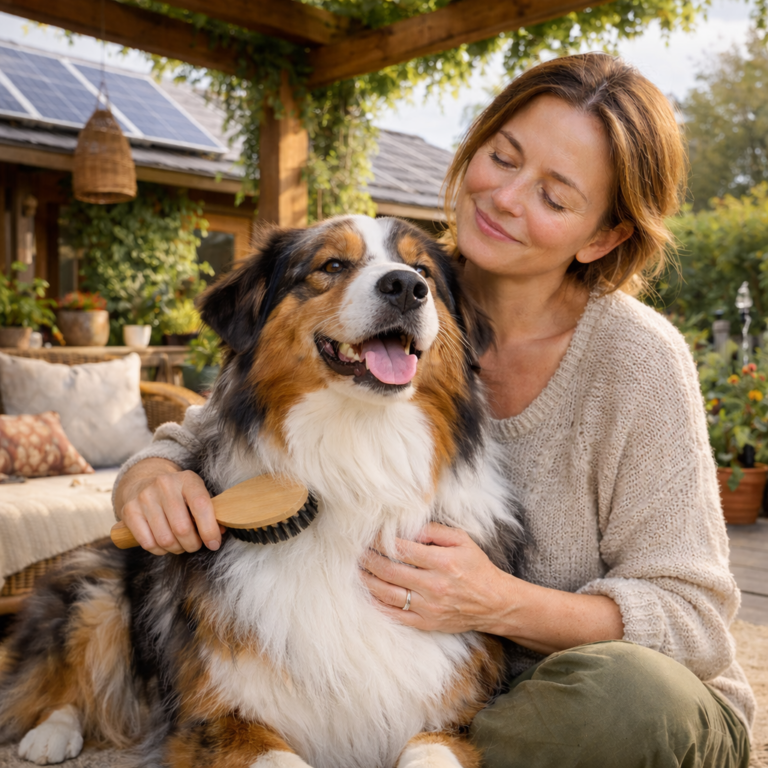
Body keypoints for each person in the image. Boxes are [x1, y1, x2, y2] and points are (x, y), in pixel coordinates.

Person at [114, 53, 755, 768]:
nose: (506, 196)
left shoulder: (637, 361)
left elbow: (696, 621)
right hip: (470, 691)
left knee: (621, 700)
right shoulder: (410, 281)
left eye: (554, 195)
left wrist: (498, 602)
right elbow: (223, 421)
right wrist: (149, 475)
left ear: (603, 236)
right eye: (501, 157)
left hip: (608, 695)